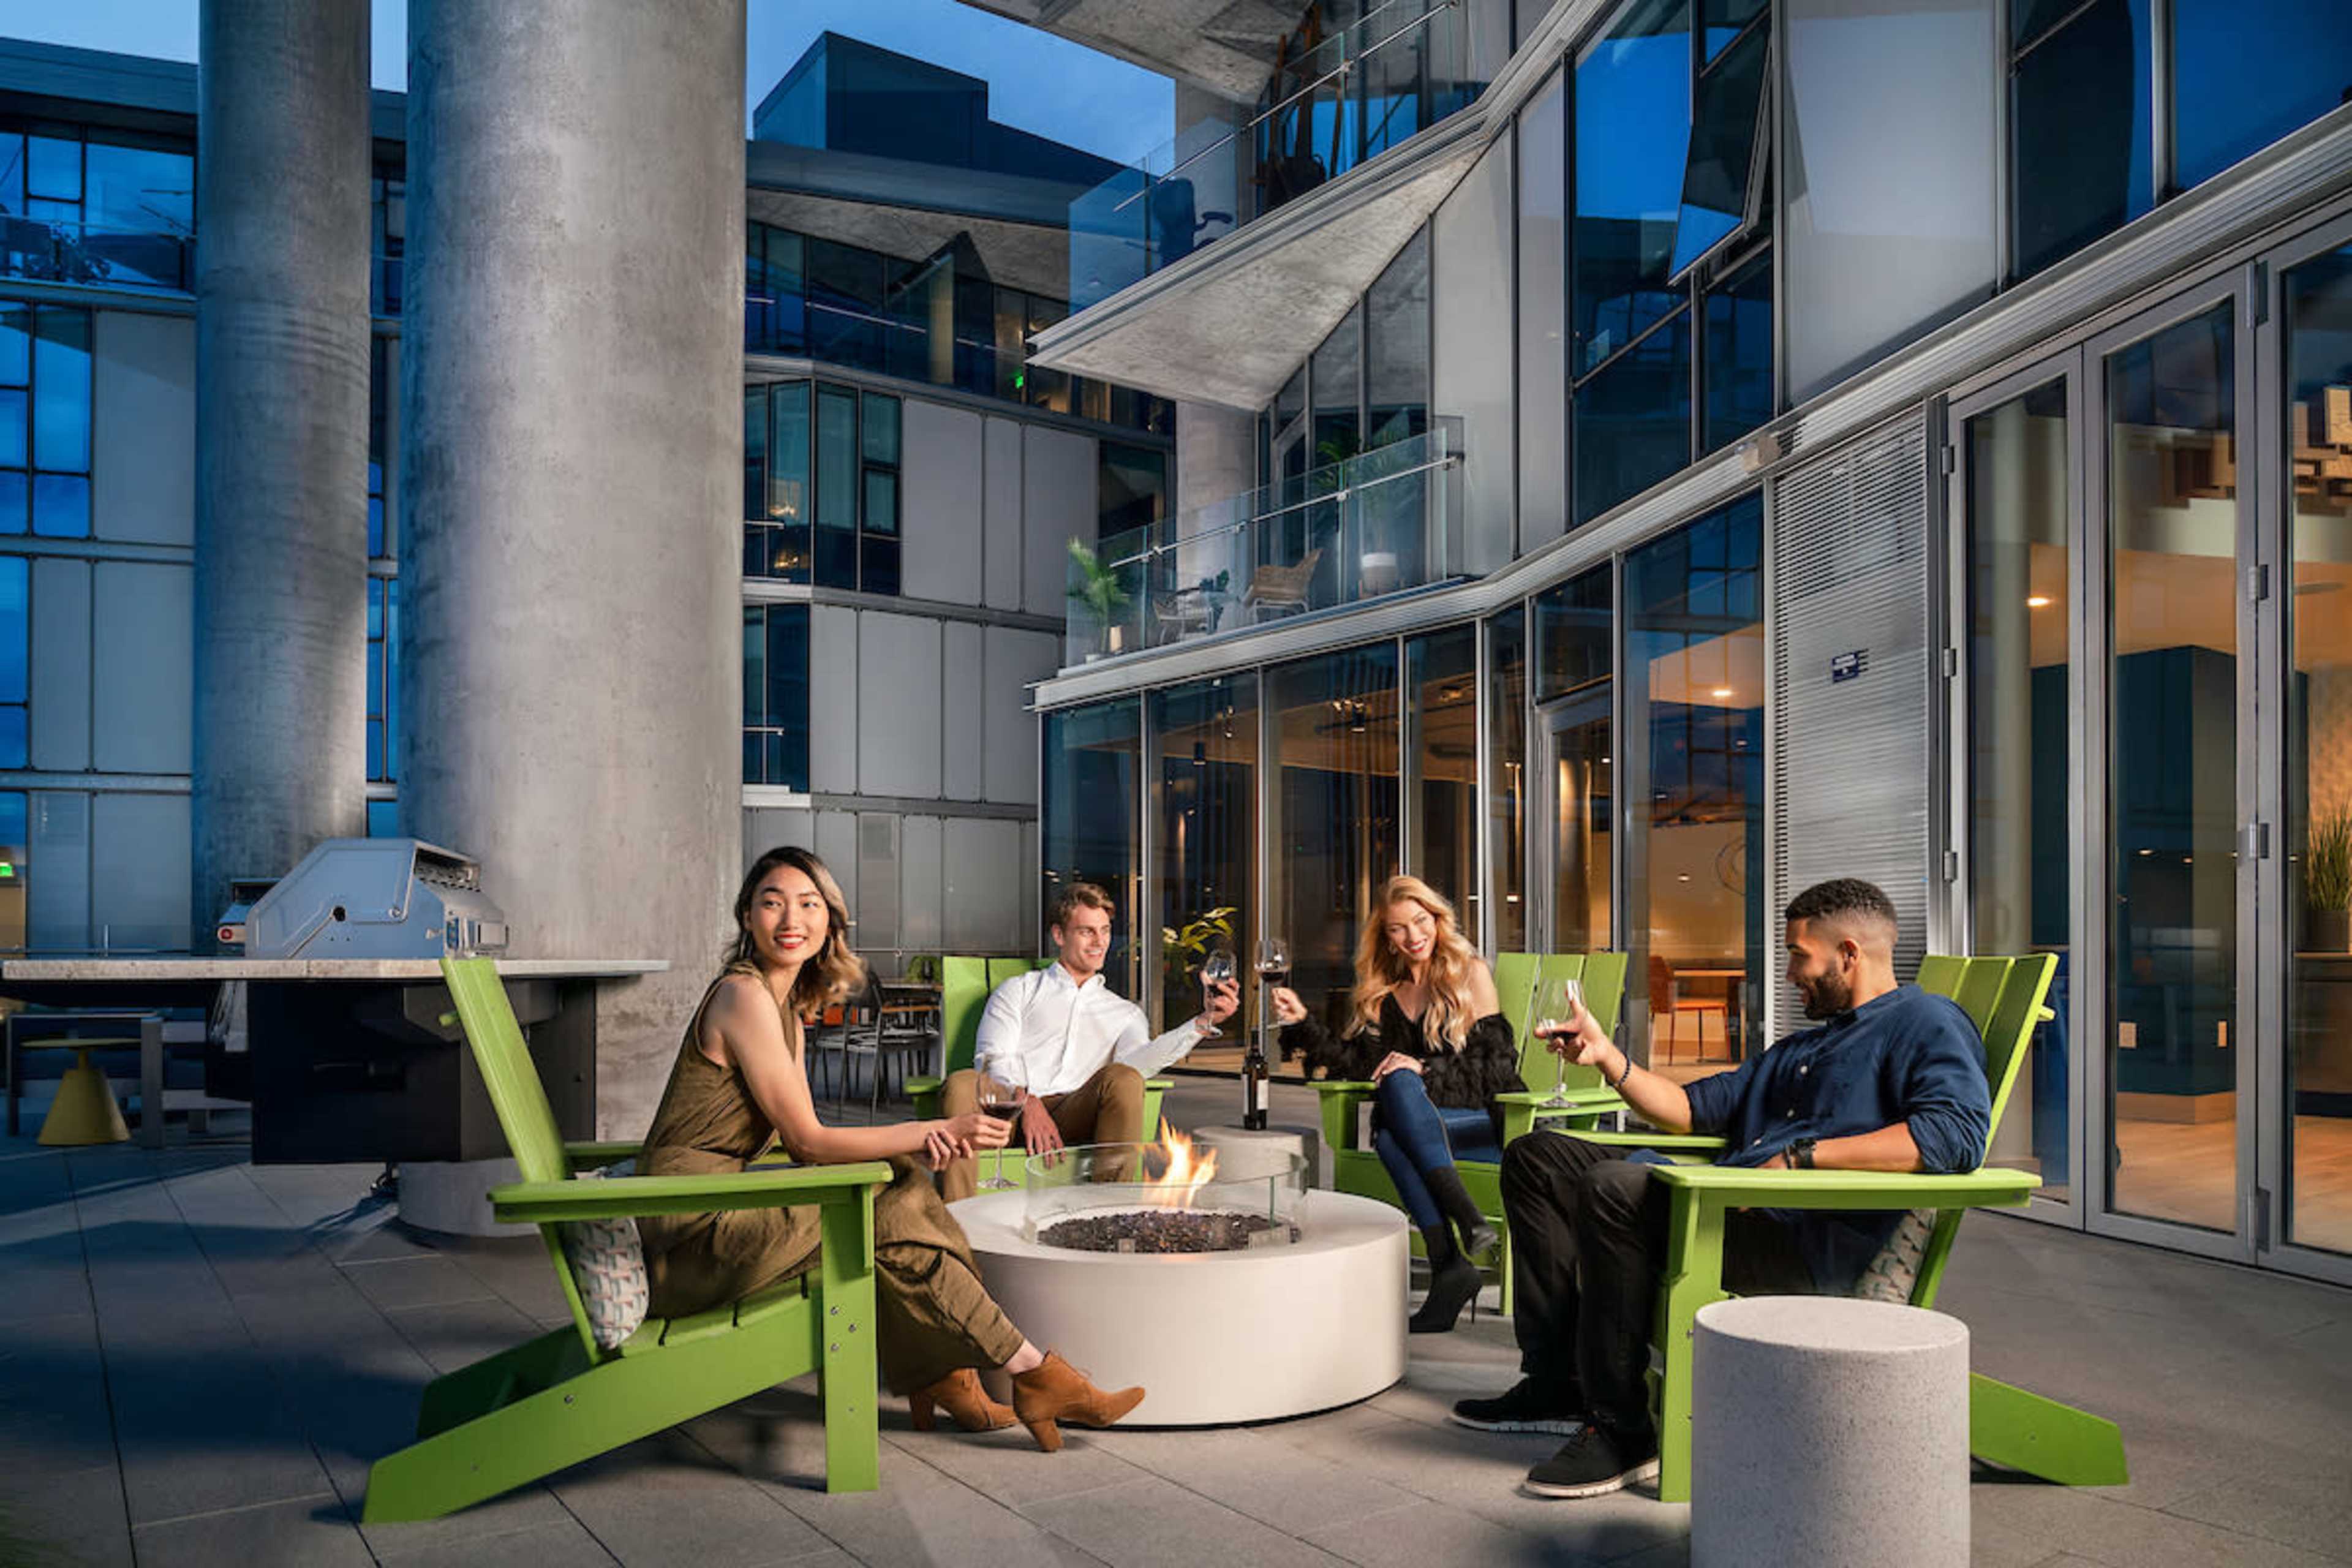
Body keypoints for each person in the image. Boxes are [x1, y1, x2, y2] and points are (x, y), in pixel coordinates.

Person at [1450, 878, 1992, 1500]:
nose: (1790, 973)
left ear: (1849, 953)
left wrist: (1802, 1159)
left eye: (1799, 955)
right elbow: (1687, 1108)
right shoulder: (1807, 1044)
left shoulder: (1924, 1019)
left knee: (1611, 1187)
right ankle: (1556, 1382)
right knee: (1537, 1156)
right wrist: (1605, 1056)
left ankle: (1625, 1429)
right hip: (1722, 1208)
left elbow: (1952, 1135)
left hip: (1797, 1240)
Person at [637, 846, 1145, 1452]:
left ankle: (960, 1375)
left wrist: (923, 1145)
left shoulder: (787, 1008)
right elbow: (807, 1141)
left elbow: (810, 1145)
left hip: (723, 1206)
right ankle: (1027, 1372)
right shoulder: (742, 996)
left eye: (809, 904)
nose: (791, 919)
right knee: (891, 1207)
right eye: (772, 902)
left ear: (830, 921)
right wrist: (941, 1132)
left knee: (901, 1187)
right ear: (747, 915)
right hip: (689, 1232)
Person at [1270, 875, 1520, 1334]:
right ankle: (1459, 1240)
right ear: (1385, 936)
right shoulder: (1387, 994)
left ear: (1437, 919)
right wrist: (1302, 1022)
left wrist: (1423, 1070)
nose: (1413, 937)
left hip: (1480, 1120)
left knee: (1398, 1096)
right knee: (1390, 1122)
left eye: (1421, 922)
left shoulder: (1471, 974)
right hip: (1421, 1127)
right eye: (1398, 929)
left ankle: (1451, 1253)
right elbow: (1358, 1066)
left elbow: (1497, 1066)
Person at [938, 882, 1239, 1202]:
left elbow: (1138, 1067)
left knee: (1125, 1078)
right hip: (1009, 1116)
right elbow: (991, 1060)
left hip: (1077, 1113)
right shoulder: (1019, 991)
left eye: (1105, 931)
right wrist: (1028, 1103)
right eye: (1086, 932)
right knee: (961, 1084)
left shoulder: (1124, 1013)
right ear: (1059, 936)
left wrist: (1202, 1023)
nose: (1100, 942)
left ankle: (1109, 1216)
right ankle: (956, 1226)